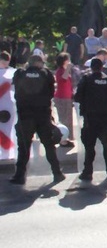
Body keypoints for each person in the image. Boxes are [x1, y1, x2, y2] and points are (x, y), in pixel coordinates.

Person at [9, 55, 65, 184]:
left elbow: (16, 91)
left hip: (25, 116)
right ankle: (57, 173)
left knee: (23, 147)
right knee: (49, 145)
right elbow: (51, 93)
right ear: (39, 63)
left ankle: (20, 176)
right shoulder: (45, 74)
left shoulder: (20, 73)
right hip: (42, 115)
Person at [74, 58, 107, 180]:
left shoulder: (86, 79)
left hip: (90, 119)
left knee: (89, 148)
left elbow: (77, 97)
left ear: (91, 67)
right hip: (106, 119)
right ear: (102, 67)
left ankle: (88, 172)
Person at [54, 52, 76, 147]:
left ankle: (68, 137)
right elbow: (63, 78)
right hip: (61, 97)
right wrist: (68, 68)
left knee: (68, 118)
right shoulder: (60, 70)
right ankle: (63, 138)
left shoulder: (64, 70)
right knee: (64, 118)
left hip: (67, 97)